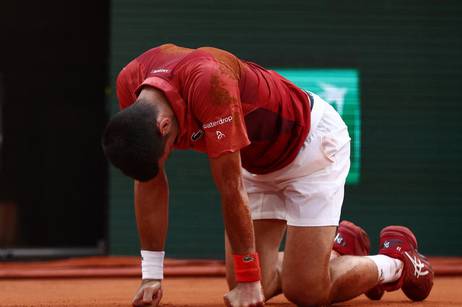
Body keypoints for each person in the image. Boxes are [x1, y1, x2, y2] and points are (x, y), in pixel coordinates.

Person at [102, 43, 433, 307]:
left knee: (306, 292)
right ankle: (337, 252)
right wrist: (151, 276)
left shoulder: (209, 81)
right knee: (258, 281)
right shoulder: (131, 85)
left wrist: (248, 280)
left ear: (163, 126)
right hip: (256, 163)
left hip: (311, 149)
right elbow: (149, 183)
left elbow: (231, 188)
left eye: (168, 148)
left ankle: (397, 263)